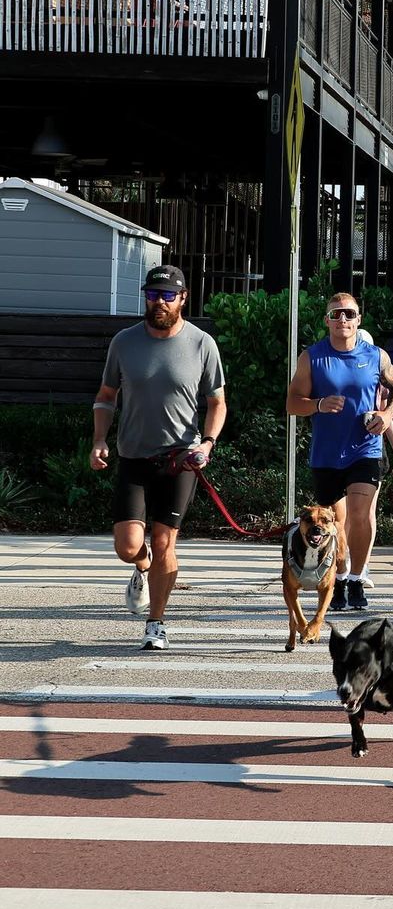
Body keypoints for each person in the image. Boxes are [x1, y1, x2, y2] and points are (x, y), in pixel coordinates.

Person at [89, 265, 226, 651]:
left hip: (180, 458)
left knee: (166, 540)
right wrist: (99, 439)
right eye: (153, 295)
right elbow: (105, 394)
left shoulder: (202, 344)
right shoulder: (124, 342)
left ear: (183, 299)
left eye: (168, 295)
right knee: (127, 546)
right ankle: (141, 566)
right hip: (133, 456)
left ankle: (156, 623)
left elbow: (217, 403)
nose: (159, 302)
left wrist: (208, 444)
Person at [286, 291, 393, 613]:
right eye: (337, 314)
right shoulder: (312, 357)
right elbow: (292, 403)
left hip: (364, 450)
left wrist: (387, 415)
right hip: (326, 454)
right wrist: (318, 404)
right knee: (335, 522)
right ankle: (338, 578)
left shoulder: (375, 356)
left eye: (349, 314)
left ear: (358, 320)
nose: (343, 320)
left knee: (358, 512)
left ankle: (356, 578)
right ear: (327, 320)